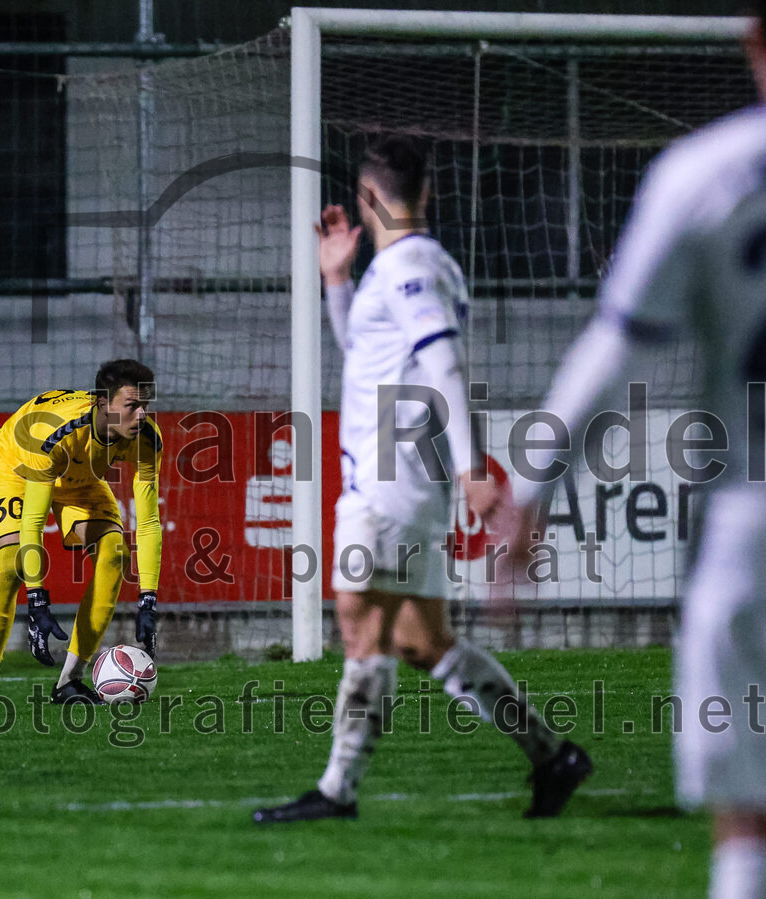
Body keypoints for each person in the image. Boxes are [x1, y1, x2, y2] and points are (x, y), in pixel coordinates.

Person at [254, 136, 591, 824]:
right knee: (420, 640)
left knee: (358, 622)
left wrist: (473, 469)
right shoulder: (410, 267)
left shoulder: (408, 268)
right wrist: (338, 281)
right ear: (425, 194)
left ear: (367, 198)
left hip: (392, 476)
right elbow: (368, 353)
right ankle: (553, 756)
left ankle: (337, 790)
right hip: (402, 478)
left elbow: (444, 366)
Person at [505, 12, 766, 895]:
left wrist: (531, 482)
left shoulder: (704, 175)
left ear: (753, 41)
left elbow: (618, 352)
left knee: (747, 816)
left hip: (751, 523)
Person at [0, 358, 162, 706]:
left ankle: (69, 681)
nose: (142, 415)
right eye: (132, 406)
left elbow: (150, 522)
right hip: (18, 464)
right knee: (14, 565)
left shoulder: (146, 440)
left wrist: (148, 600)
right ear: (103, 404)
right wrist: (37, 599)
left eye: (146, 406)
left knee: (116, 555)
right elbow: (34, 522)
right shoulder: (56, 436)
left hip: (78, 478)